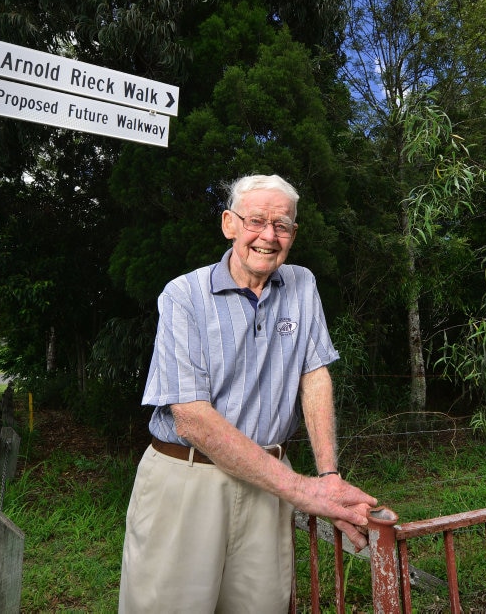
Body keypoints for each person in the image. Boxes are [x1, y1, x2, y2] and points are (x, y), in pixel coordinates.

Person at [118, 174, 377, 613]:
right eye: (256, 220)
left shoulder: (302, 285)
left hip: (269, 484)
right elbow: (192, 418)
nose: (268, 236)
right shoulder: (183, 295)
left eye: (282, 226)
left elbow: (314, 375)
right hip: (188, 480)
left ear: (294, 234)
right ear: (229, 224)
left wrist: (329, 477)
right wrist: (303, 491)